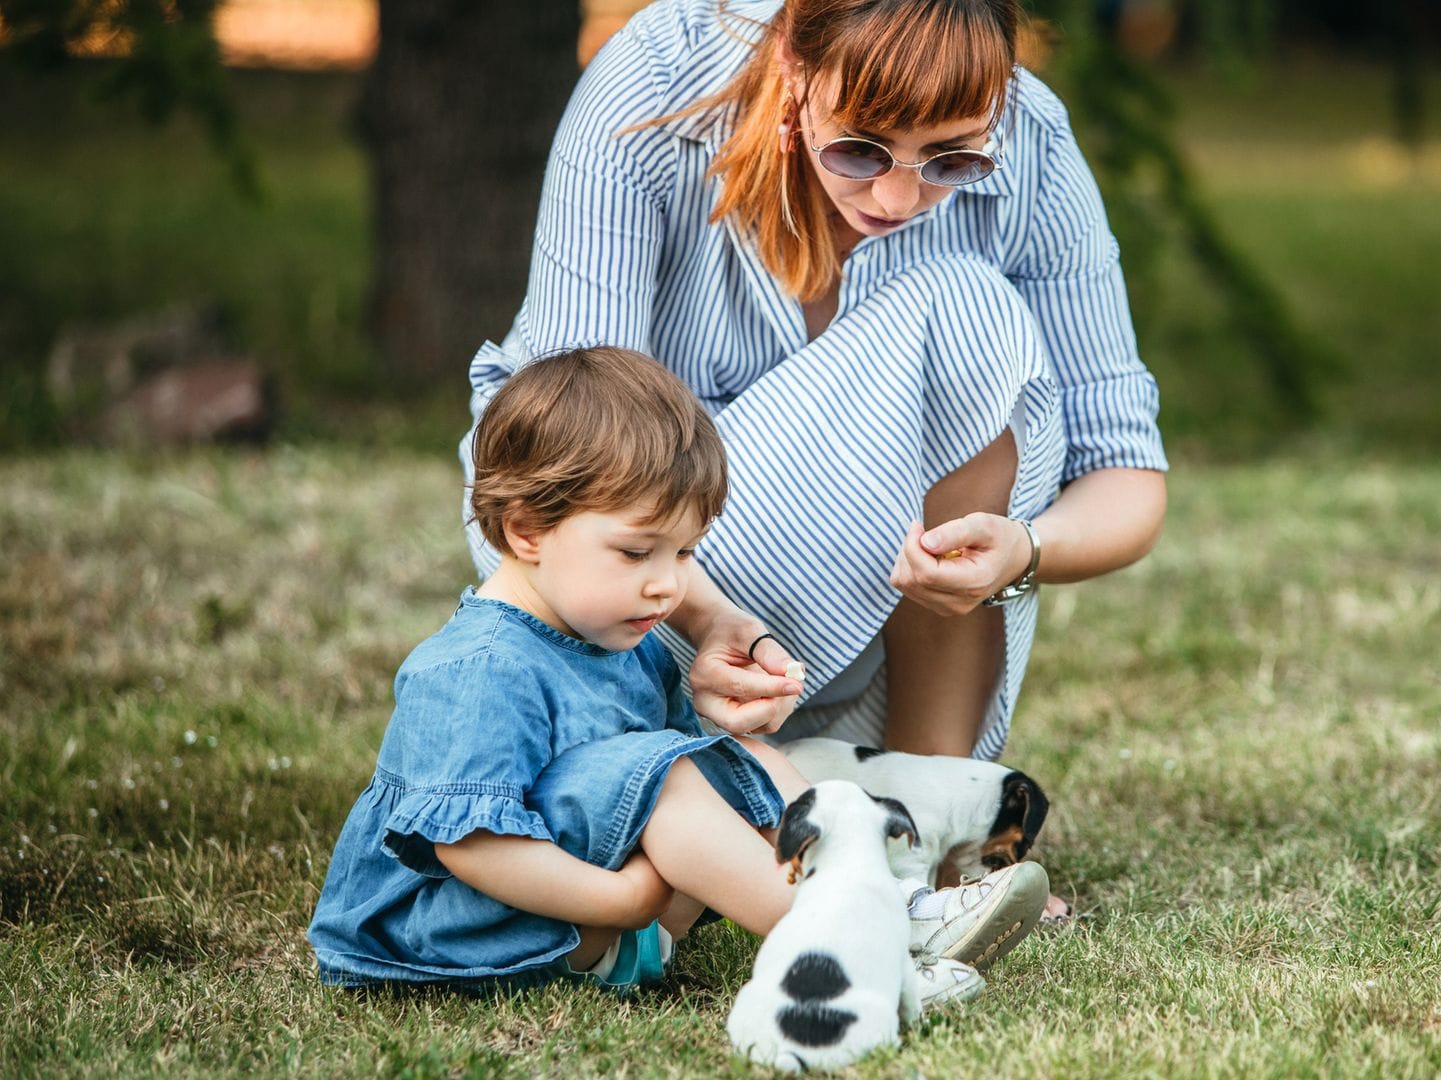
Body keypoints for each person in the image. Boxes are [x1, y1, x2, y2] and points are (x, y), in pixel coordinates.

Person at [462, 0, 1166, 768]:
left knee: (972, 313)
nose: (897, 201)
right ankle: (682, 778)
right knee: (959, 309)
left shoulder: (1032, 135)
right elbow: (573, 440)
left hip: (849, 618)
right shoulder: (656, 80)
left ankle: (932, 804)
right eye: (861, 151)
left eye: (951, 160)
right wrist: (706, 617)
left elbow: (1124, 473)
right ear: (793, 60)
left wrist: (1026, 549)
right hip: (623, 566)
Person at [310, 346, 1047, 992]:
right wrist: (623, 902)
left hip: (598, 914)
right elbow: (470, 846)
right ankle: (864, 950)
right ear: (525, 529)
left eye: (686, 553)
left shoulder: (624, 637)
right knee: (665, 776)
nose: (668, 584)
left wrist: (739, 768)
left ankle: (891, 902)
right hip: (460, 934)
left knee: (743, 756)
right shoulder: (478, 668)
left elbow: (707, 786)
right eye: (638, 552)